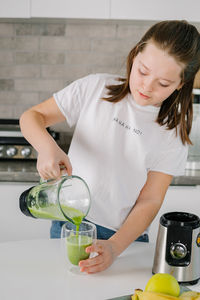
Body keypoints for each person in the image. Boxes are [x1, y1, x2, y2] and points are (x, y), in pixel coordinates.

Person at [20, 20, 200, 274]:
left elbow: (149, 200)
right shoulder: (95, 88)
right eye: (143, 71)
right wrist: (47, 148)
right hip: (66, 222)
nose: (146, 87)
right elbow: (32, 116)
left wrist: (115, 247)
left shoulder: (172, 134)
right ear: (135, 54)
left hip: (122, 239)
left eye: (163, 84)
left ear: (181, 84)